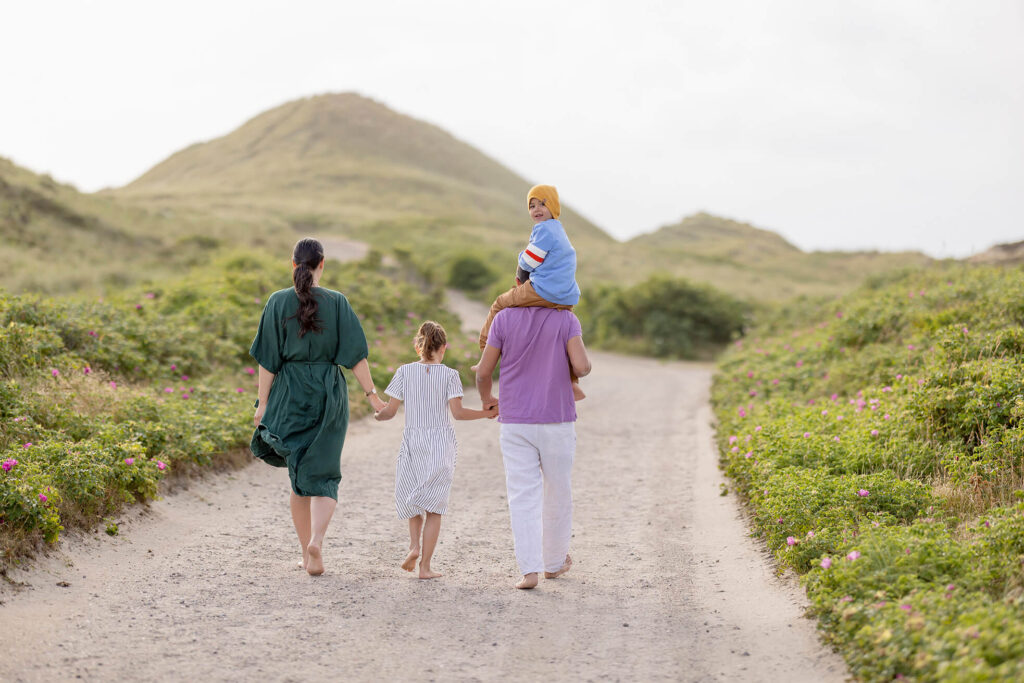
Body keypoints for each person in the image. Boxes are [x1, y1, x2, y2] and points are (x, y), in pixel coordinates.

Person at [250, 237, 386, 576]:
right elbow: (356, 356)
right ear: (322, 264)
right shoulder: (338, 302)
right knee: (324, 473)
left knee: (299, 475)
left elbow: (267, 360)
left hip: (290, 392)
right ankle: (318, 542)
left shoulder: (277, 301)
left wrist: (263, 403)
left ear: (293, 264)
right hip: (328, 392)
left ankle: (305, 552)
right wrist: (372, 396)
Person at [475, 300, 592, 589]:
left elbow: (482, 372)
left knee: (521, 496)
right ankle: (553, 564)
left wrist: (488, 399)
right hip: (557, 420)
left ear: (519, 281)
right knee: (558, 490)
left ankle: (529, 571)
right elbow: (583, 367)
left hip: (515, 422)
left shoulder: (502, 319)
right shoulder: (566, 319)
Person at [374, 321, 497, 579]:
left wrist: (377, 413)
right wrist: (486, 415)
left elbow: (390, 412)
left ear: (418, 346)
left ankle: (414, 546)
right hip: (440, 443)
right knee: (435, 507)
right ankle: (425, 567)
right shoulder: (450, 375)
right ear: (443, 348)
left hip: (413, 441)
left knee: (415, 498)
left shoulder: (404, 371)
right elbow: (459, 414)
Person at [472, 184, 585, 400]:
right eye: (532, 206)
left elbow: (530, 261)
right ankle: (571, 383)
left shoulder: (544, 229)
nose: (536, 209)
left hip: (544, 291)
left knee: (499, 303)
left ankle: (486, 356)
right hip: (565, 297)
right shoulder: (560, 231)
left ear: (553, 207)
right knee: (562, 338)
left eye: (542, 203)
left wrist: (521, 257)